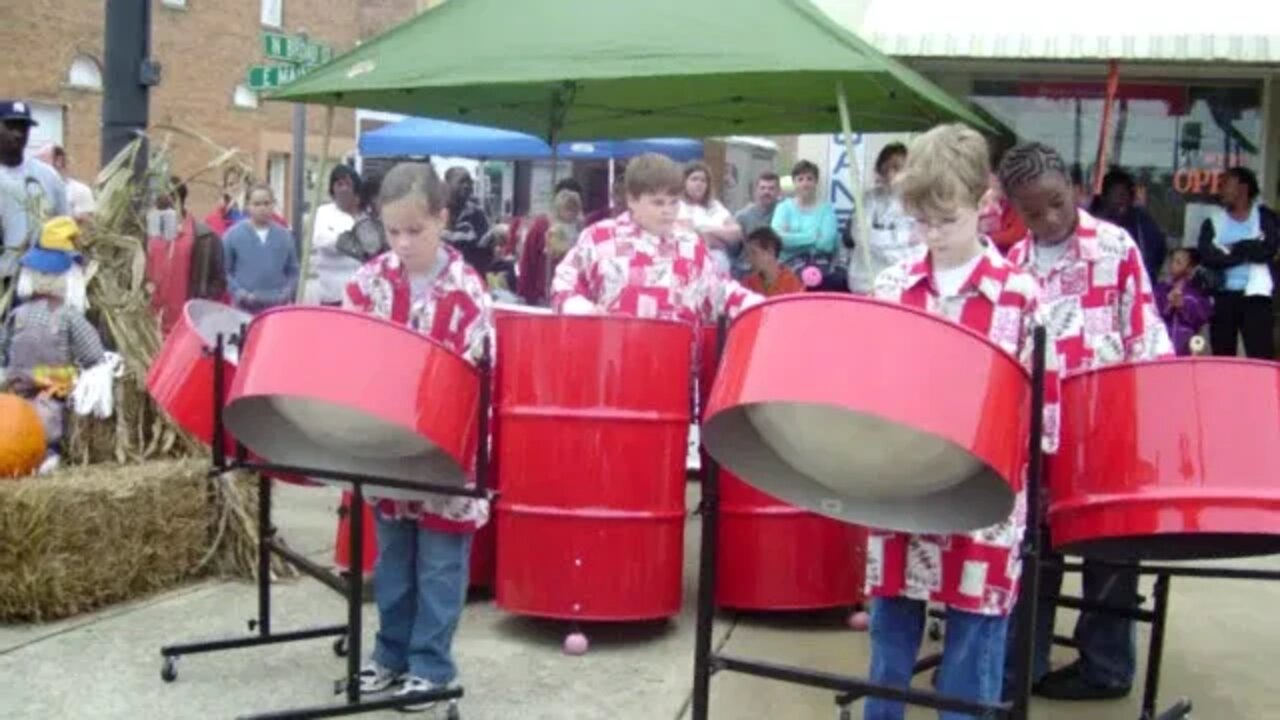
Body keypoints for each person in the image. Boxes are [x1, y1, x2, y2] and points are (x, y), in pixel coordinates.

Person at [861, 124, 1058, 720]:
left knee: (974, 647)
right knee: (890, 637)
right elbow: (870, 389)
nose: (932, 236)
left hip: (985, 497)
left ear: (984, 203)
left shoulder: (1020, 295)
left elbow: (1043, 409)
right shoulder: (895, 286)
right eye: (921, 222)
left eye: (946, 220)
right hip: (902, 484)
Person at [998, 141, 1172, 702]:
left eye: (1055, 203)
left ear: (1074, 188)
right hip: (1040, 435)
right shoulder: (1012, 265)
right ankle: (1027, 662)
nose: (1048, 219)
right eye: (1031, 211)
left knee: (1109, 555)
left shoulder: (1114, 246)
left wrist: (1151, 427)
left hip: (1105, 427)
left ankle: (1105, 667)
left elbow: (1146, 336)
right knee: (1036, 554)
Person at [344, 162, 491, 713]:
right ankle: (390, 657)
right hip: (388, 448)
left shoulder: (468, 291)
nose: (403, 244)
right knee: (393, 566)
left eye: (416, 231)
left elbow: (471, 376)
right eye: (393, 232)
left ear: (442, 220)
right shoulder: (367, 282)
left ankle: (431, 667)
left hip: (443, 457)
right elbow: (354, 357)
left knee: (439, 568)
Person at [550, 152, 761, 323]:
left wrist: (756, 306)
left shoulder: (690, 244)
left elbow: (720, 291)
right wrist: (583, 309)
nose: (668, 211)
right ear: (632, 199)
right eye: (658, 203)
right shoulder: (599, 238)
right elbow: (563, 285)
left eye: (674, 202)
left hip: (678, 364)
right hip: (613, 362)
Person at [0, 217, 105, 473]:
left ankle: (43, 453)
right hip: (49, 391)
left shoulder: (18, 314)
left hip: (21, 394)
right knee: (47, 417)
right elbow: (94, 354)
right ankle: (50, 453)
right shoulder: (69, 316)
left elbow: (3, 349)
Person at [1197, 166, 1278, 360]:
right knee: (1222, 356)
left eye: (1226, 184)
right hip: (1223, 296)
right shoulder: (1213, 222)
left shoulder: (1265, 217)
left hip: (1256, 297)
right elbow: (1209, 256)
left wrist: (1234, 249)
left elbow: (1268, 250)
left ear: (1243, 188)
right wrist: (1248, 250)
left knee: (1260, 355)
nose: (1221, 190)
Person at [0, 100, 66, 297]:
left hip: (39, 280)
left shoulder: (47, 176)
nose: (18, 134)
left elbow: (64, 224)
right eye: (10, 127)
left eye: (23, 127)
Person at [848, 143, 917, 294]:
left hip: (905, 283)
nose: (892, 175)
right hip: (867, 281)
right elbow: (861, 235)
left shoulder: (918, 202)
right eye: (886, 169)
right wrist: (903, 239)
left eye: (898, 168)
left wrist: (880, 240)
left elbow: (920, 246)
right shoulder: (869, 199)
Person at [222, 185, 298, 314]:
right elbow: (223, 271)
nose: (262, 208)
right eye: (257, 204)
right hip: (243, 310)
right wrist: (240, 293)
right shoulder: (232, 235)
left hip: (276, 310)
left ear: (273, 204)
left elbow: (293, 270)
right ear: (247, 206)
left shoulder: (285, 236)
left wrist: (287, 292)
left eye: (266, 203)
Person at [514, 178, 584, 305]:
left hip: (575, 294)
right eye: (567, 206)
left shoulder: (583, 229)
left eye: (574, 207)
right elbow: (528, 260)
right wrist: (524, 293)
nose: (570, 211)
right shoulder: (543, 226)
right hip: (544, 293)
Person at [1091, 169, 1167, 286]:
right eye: (1118, 195)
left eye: (1127, 195)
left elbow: (1157, 253)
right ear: (1105, 196)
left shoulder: (1142, 223)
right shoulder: (1088, 221)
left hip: (1135, 289)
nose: (1123, 200)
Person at [771, 160, 839, 289]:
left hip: (820, 266)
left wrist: (792, 237)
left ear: (816, 182)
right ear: (794, 183)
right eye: (800, 179)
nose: (805, 183)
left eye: (809, 179)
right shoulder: (783, 208)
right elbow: (778, 240)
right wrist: (813, 236)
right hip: (788, 266)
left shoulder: (826, 209)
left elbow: (827, 244)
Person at [305, 164, 365, 306]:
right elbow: (320, 240)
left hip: (359, 293)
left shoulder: (364, 214)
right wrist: (350, 242)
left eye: (348, 184)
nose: (343, 188)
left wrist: (341, 241)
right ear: (332, 188)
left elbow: (371, 246)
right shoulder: (322, 212)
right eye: (339, 184)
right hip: (330, 294)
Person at [677, 161, 742, 275]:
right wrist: (721, 239)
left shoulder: (715, 205)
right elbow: (692, 238)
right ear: (684, 182)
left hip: (721, 266)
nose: (699, 183)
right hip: (694, 266)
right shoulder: (678, 205)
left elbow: (737, 233)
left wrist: (706, 230)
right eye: (694, 179)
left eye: (703, 180)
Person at [1154, 248, 1213, 356]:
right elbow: (1150, 312)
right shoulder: (1160, 289)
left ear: (1190, 268)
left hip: (1186, 348)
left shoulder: (1197, 293)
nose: (1173, 265)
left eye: (1178, 262)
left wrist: (1183, 305)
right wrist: (1168, 305)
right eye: (1172, 261)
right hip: (1160, 346)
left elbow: (1202, 316)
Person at [441, 167, 491, 275]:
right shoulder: (432, 212)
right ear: (446, 185)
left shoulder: (477, 214)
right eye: (462, 181)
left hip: (467, 278)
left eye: (470, 182)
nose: (467, 186)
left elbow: (485, 252)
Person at [733, 172, 783, 278]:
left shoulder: (784, 212)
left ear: (779, 191)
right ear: (756, 190)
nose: (766, 192)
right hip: (747, 268)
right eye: (762, 188)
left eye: (771, 188)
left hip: (776, 266)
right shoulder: (742, 216)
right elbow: (734, 250)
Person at [741, 227, 804, 297]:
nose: (749, 259)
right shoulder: (748, 283)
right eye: (748, 254)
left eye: (754, 253)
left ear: (770, 252)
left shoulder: (792, 282)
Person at [43, 145, 95, 224]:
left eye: (42, 161)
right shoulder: (37, 190)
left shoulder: (80, 190)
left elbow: (88, 224)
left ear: (58, 161)